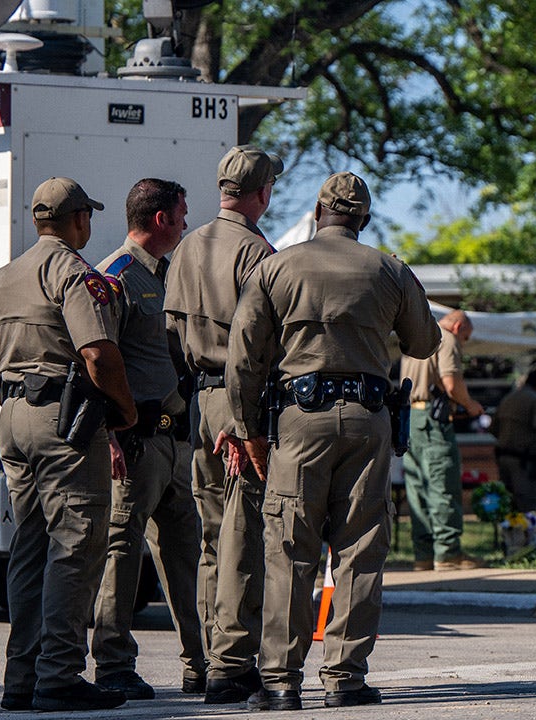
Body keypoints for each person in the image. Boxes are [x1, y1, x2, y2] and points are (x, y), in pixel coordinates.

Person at [224, 172, 440, 710]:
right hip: (368, 420)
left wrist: (248, 428)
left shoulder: (275, 267)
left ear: (319, 212)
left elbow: (243, 357)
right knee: (360, 548)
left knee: (290, 548)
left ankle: (280, 682)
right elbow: (425, 340)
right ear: (363, 219)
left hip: (299, 421)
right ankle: (345, 679)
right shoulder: (389, 269)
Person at [0, 177, 138, 712]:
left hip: (14, 417)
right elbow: (97, 352)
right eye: (87, 215)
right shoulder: (71, 272)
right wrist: (125, 410)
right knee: (78, 542)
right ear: (78, 221)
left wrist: (18, 393)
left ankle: (20, 677)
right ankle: (59, 674)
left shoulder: (5, 276)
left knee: (31, 544)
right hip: (63, 423)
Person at [163, 144, 282, 704]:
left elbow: (168, 333)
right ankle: (232, 664)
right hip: (241, 405)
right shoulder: (255, 252)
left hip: (199, 401)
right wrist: (246, 421)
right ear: (262, 192)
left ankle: (209, 658)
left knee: (213, 537)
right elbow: (259, 344)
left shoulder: (187, 246)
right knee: (243, 536)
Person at [90, 178, 207, 699]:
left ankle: (201, 662)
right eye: (181, 214)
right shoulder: (114, 277)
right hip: (134, 443)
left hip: (175, 440)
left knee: (187, 555)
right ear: (160, 218)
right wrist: (108, 434)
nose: (185, 223)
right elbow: (94, 356)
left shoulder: (167, 275)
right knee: (121, 552)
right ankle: (114, 663)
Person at [400, 309, 485, 571]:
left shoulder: (417, 339)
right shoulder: (445, 339)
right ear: (458, 326)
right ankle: (448, 552)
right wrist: (471, 406)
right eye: (466, 338)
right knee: (442, 484)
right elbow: (451, 383)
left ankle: (423, 555)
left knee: (417, 489)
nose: (464, 343)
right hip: (434, 422)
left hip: (411, 419)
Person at [492, 368, 536, 512]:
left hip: (503, 457)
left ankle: (510, 534)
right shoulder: (535, 399)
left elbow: (493, 428)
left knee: (508, 504)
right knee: (528, 505)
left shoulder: (508, 397)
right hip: (524, 461)